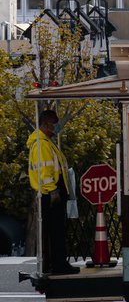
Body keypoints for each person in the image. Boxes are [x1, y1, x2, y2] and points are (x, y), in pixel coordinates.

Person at [27, 108, 78, 275]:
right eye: (55, 124)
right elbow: (44, 172)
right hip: (51, 194)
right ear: (46, 124)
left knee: (57, 230)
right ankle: (58, 265)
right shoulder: (41, 145)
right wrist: (53, 191)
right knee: (55, 231)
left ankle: (58, 263)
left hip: (52, 192)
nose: (57, 128)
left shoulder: (46, 142)